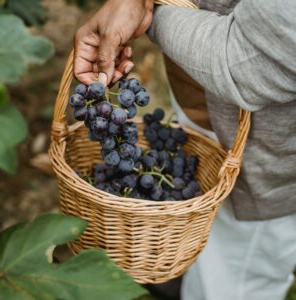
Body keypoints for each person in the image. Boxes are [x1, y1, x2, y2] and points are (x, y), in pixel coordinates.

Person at [74, 0, 296, 299]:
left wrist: (147, 14)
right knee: (205, 209)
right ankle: (195, 270)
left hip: (270, 155)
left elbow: (251, 57)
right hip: (206, 95)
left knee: (241, 272)